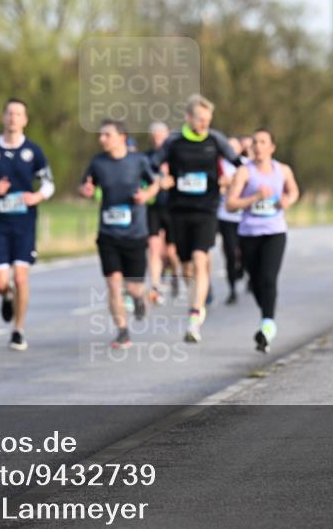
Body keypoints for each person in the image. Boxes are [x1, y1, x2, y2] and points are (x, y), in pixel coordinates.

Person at [152, 94, 243, 343]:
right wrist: (162, 179)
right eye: (200, 119)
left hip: (207, 208)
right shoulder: (174, 140)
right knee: (186, 266)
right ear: (188, 117)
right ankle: (198, 299)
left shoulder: (216, 140)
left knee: (200, 258)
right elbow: (152, 164)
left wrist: (233, 180)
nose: (204, 124)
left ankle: (194, 317)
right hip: (179, 209)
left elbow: (241, 164)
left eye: (207, 119)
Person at [0, 97, 55, 351]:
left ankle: (18, 330)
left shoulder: (34, 151)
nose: (13, 118)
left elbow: (48, 184)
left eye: (18, 114)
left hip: (24, 224)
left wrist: (37, 196)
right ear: (3, 117)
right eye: (9, 113)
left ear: (25, 120)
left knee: (21, 278)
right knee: (0, 283)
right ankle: (7, 296)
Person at [78, 120, 159, 349]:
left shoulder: (139, 160)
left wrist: (146, 194)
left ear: (121, 136)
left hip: (135, 233)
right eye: (101, 135)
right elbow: (85, 185)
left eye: (107, 135)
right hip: (108, 233)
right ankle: (123, 332)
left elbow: (156, 183)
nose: (101, 139)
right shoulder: (97, 162)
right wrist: (86, 191)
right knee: (113, 284)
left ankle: (138, 298)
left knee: (133, 286)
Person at [225, 128, 299, 353]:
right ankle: (266, 315)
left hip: (275, 232)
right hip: (249, 233)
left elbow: (294, 192)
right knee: (256, 281)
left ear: (272, 147)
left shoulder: (283, 170)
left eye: (262, 142)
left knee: (268, 277)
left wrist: (287, 201)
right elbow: (230, 204)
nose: (257, 146)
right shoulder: (244, 172)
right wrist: (255, 197)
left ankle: (267, 324)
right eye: (255, 142)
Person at [145, 121, 179, 305]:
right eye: (155, 136)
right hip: (153, 207)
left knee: (172, 252)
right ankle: (156, 287)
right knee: (154, 247)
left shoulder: (175, 156)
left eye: (161, 136)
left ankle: (174, 274)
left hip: (172, 208)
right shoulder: (147, 158)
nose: (158, 140)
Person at [216, 136, 245, 304]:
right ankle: (232, 289)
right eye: (229, 147)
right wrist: (222, 185)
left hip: (244, 217)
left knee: (244, 252)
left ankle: (243, 270)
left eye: (235, 147)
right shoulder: (219, 165)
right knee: (230, 253)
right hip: (225, 215)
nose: (231, 150)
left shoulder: (246, 165)